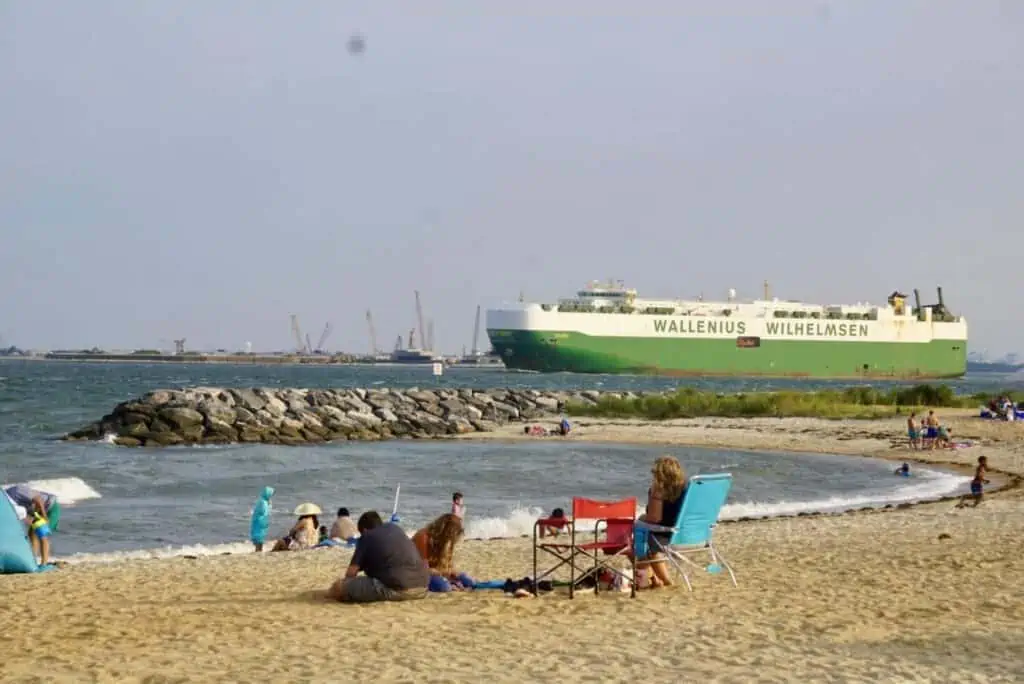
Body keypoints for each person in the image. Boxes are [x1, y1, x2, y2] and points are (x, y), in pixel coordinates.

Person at [326, 511, 430, 603]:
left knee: (339, 587)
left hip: (399, 589)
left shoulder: (367, 536)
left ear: (364, 530)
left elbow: (351, 573)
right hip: (423, 588)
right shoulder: (395, 528)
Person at [636, 455, 688, 589]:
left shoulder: (659, 489)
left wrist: (641, 519)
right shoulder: (688, 488)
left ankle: (663, 580)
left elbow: (654, 518)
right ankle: (652, 577)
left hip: (668, 535)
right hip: (690, 534)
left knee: (641, 534)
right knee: (643, 533)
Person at [411, 513, 474, 591]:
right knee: (445, 587)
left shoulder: (446, 541)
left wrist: (452, 574)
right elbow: (423, 569)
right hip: (419, 573)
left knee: (469, 581)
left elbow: (447, 565)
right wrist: (444, 574)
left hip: (435, 571)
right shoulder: (423, 537)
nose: (451, 539)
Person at [4, 484, 60, 566]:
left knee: (42, 533)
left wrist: (44, 516)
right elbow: (22, 513)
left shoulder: (16, 491)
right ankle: (33, 562)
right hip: (37, 512)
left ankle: (44, 564)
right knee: (32, 534)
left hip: (50, 508)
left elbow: (38, 499)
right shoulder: (7, 502)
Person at [249, 486, 274, 552]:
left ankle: (259, 550)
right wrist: (269, 505)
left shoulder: (263, 501)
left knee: (260, 538)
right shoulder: (263, 502)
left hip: (260, 521)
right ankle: (258, 550)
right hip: (260, 522)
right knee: (259, 538)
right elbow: (263, 512)